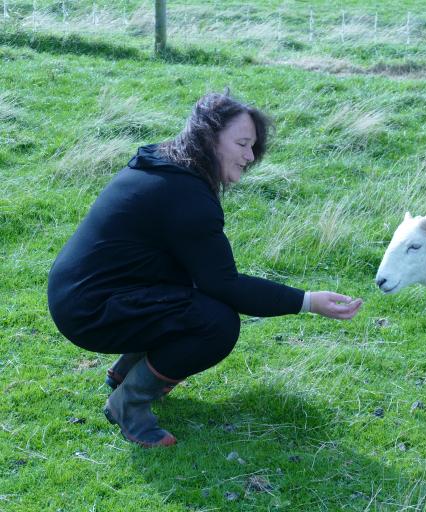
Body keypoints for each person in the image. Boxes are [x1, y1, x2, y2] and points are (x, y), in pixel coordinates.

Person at [47, 92, 363, 448]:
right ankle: (129, 405)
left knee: (194, 290)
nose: (249, 156)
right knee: (217, 323)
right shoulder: (187, 195)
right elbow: (225, 284)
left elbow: (205, 275)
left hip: (79, 291)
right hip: (89, 309)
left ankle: (125, 375)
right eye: (242, 143)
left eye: (253, 146)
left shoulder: (166, 164)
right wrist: (307, 301)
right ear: (209, 137)